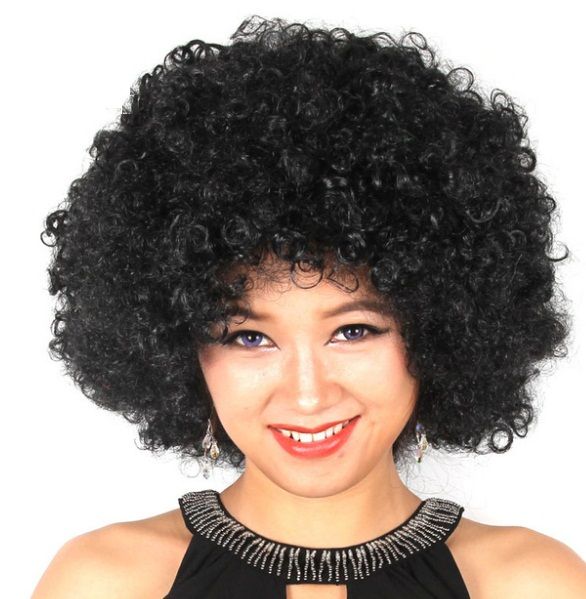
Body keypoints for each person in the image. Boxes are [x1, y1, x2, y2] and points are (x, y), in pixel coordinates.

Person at [33, 15, 586, 599]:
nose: (308, 395)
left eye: (354, 331)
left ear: (440, 331)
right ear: (175, 348)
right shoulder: (106, 581)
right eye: (249, 337)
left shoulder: (533, 584)